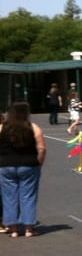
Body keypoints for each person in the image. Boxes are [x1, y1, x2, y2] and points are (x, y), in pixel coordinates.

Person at [0, 102, 46, 238]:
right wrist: (39, 163)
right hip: (29, 165)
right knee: (28, 197)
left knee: (9, 197)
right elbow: (42, 148)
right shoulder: (33, 127)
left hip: (6, 166)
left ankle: (13, 229)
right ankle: (29, 228)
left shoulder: (2, 128)